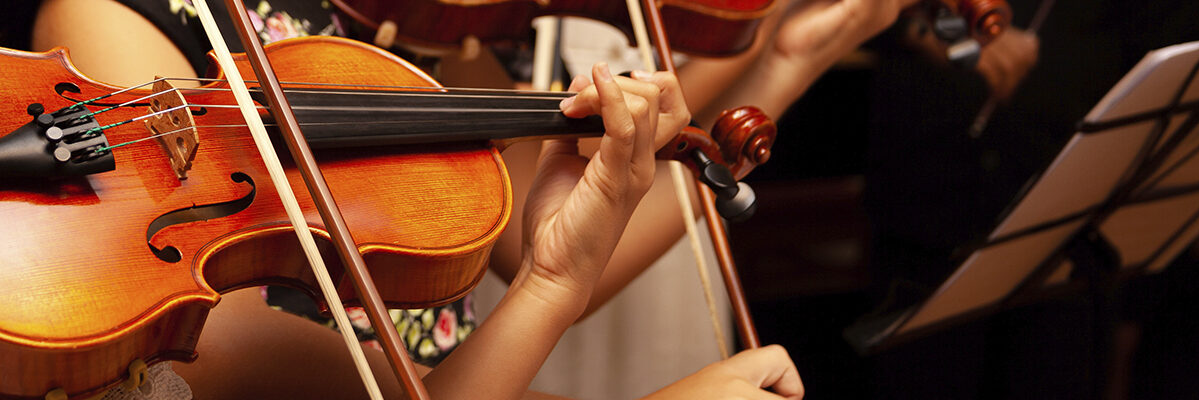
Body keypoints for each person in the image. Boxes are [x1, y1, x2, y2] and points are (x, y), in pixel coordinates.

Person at [28, 1, 805, 399]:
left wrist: (795, 52)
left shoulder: (427, 35)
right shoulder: (129, 22)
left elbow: (557, 248)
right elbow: (217, 349)